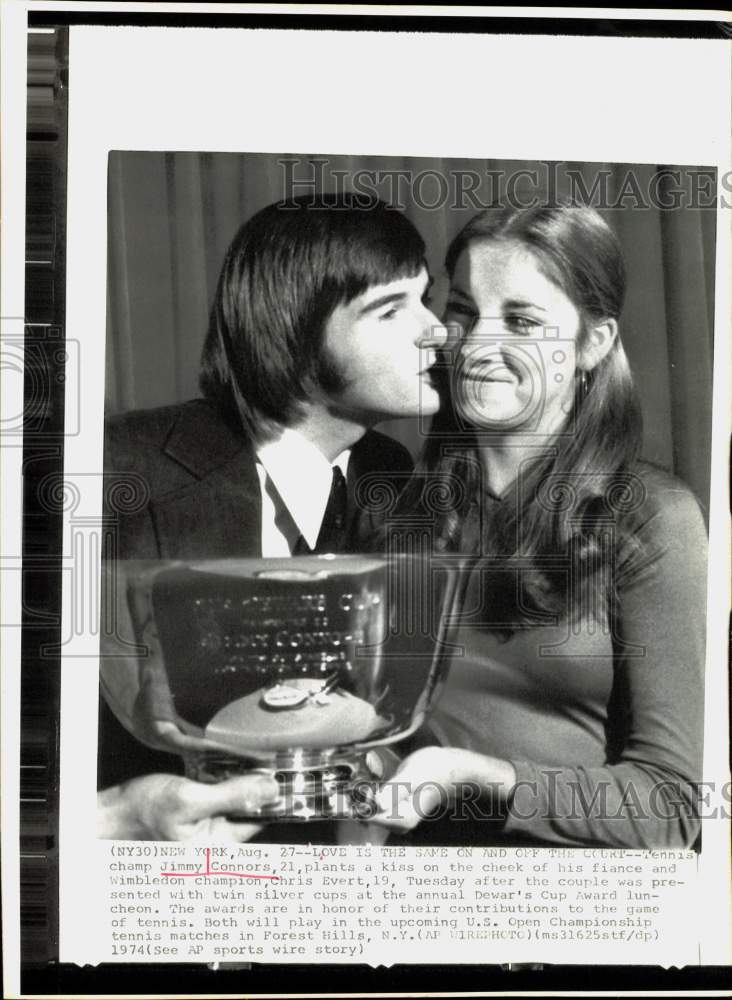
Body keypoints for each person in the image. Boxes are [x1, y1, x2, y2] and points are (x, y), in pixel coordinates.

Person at [98, 193, 446, 839]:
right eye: (391, 309)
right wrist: (124, 813)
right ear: (293, 329)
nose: (438, 328)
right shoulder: (117, 468)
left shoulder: (391, 474)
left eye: (426, 298)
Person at [371, 201, 707, 849]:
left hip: (574, 909)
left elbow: (671, 805)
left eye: (522, 320)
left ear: (593, 343)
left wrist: (476, 775)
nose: (479, 344)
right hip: (417, 898)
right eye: (464, 310)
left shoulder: (649, 515)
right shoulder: (399, 509)